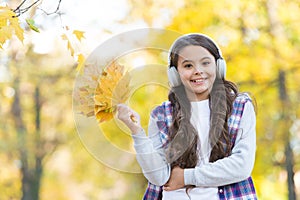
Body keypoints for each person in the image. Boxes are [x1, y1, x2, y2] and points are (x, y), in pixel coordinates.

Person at [117, 33, 257, 200]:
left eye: (205, 63)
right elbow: (158, 177)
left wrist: (186, 177)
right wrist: (137, 131)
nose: (198, 71)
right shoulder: (162, 115)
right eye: (188, 65)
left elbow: (242, 166)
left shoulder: (239, 107)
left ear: (218, 66)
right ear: (175, 74)